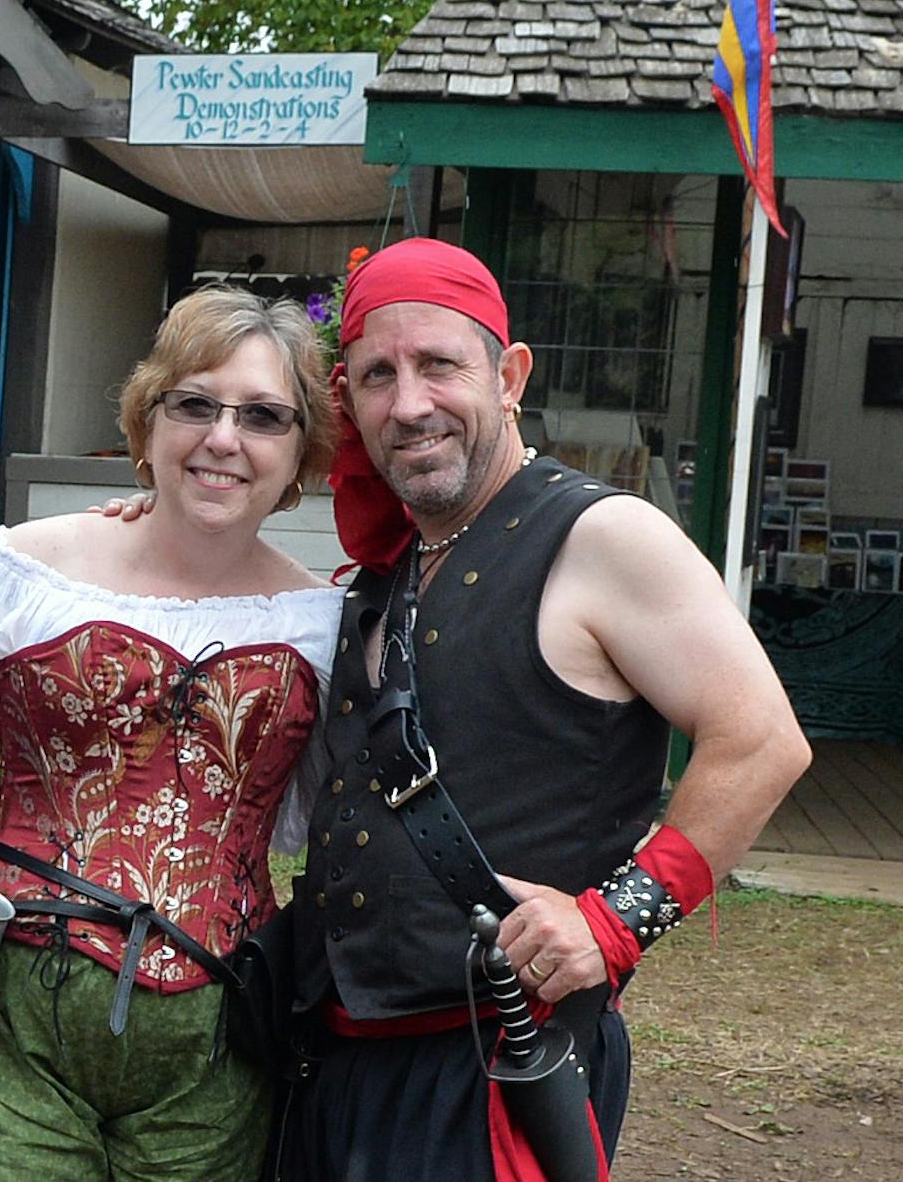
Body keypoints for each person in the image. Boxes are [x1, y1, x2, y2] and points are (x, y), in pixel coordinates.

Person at [277, 237, 811, 1181]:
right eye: (377, 375)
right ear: (348, 401)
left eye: (440, 364)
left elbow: (762, 739)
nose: (409, 404)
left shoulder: (604, 535)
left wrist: (614, 923)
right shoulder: (395, 569)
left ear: (509, 373)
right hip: (340, 1063)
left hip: (492, 1071)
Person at [0, 286, 342, 1182]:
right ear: (147, 422)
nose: (224, 438)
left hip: (219, 1039)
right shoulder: (23, 566)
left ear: (302, 449)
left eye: (264, 416)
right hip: (6, 1012)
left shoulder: (326, 623)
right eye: (195, 404)